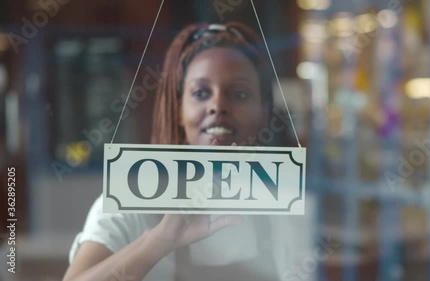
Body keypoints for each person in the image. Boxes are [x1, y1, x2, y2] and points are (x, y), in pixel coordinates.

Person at [63, 22, 308, 281]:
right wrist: (158, 241)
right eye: (201, 93)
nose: (217, 105)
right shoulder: (127, 204)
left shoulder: (283, 208)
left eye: (239, 94)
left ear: (264, 112)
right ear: (178, 111)